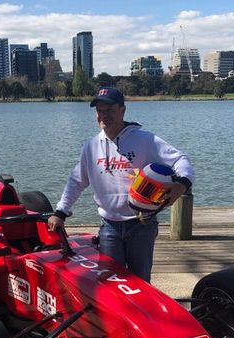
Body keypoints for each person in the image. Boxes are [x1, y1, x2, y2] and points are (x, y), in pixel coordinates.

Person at [47, 87, 195, 281]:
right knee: (111, 283)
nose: (104, 115)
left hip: (142, 224)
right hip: (109, 227)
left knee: (140, 282)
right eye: (100, 110)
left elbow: (181, 160)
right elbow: (76, 180)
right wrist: (60, 212)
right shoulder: (90, 147)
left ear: (122, 110)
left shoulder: (145, 140)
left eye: (109, 110)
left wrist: (181, 184)